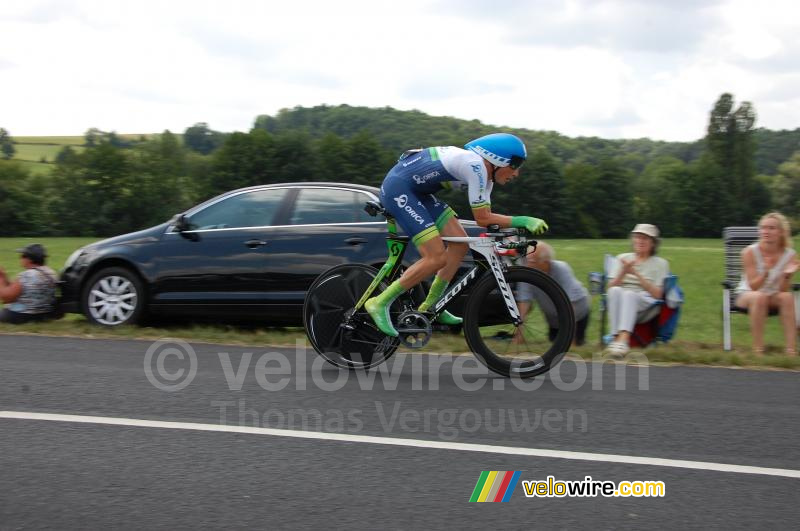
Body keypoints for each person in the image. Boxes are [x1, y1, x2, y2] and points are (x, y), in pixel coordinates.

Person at [365, 133, 548, 337]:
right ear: (498, 160)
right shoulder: (476, 166)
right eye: (515, 165)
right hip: (399, 189)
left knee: (459, 246)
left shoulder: (487, 178)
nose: (516, 173)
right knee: (436, 257)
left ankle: (431, 305)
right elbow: (483, 218)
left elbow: (485, 218)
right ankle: (379, 302)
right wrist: (522, 220)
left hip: (420, 193)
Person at [734, 212, 799, 356]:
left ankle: (791, 350)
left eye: (771, 228)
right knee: (759, 296)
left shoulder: (790, 255)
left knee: (787, 297)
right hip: (747, 295)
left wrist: (787, 275)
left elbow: (782, 290)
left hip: (773, 295)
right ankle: (758, 350)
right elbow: (753, 286)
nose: (766, 231)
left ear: (781, 232)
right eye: (763, 228)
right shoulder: (749, 252)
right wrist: (766, 272)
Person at [604, 224, 669, 356]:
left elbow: (658, 294)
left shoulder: (661, 263)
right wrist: (623, 271)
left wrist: (636, 274)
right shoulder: (622, 258)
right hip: (621, 299)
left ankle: (623, 339)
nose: (640, 241)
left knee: (629, 294)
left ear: (653, 243)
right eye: (637, 237)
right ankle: (615, 338)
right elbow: (609, 288)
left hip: (647, 302)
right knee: (615, 291)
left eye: (645, 238)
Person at [514, 242, 591, 346]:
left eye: (533, 261)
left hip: (578, 314)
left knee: (575, 345)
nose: (528, 264)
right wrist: (518, 336)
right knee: (554, 343)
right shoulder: (527, 271)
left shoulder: (562, 269)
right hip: (554, 319)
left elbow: (569, 306)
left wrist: (570, 342)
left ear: (546, 262)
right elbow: (523, 303)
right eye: (527, 259)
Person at [0, 243, 59, 324]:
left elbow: (6, 298)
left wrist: (1, 278)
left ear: (29, 259)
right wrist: (4, 276)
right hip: (44, 314)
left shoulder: (27, 275)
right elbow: (17, 289)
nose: (20, 258)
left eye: (22, 256)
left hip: (22, 315)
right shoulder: (51, 272)